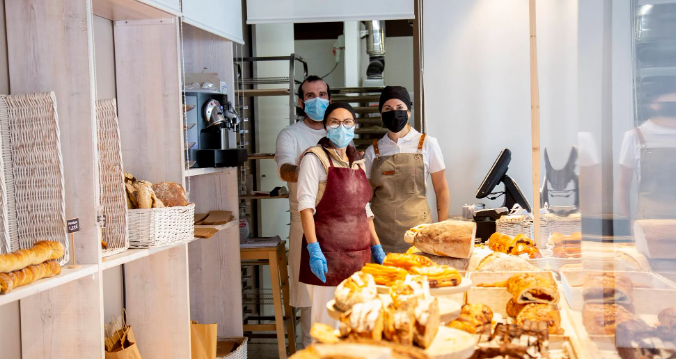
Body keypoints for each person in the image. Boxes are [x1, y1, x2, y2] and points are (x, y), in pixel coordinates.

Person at [296, 102, 386, 327]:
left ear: (354, 126)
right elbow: (306, 207)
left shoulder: (358, 162)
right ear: (326, 126)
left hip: (360, 259)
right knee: (329, 328)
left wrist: (376, 246)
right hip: (327, 259)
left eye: (347, 122)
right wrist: (313, 249)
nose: (341, 127)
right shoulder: (314, 158)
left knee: (357, 329)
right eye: (334, 122)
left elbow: (365, 209)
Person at [274, 75, 331, 347]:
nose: (317, 99)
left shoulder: (338, 132)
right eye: (310, 95)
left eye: (322, 94)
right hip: (304, 224)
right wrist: (312, 171)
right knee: (309, 302)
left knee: (337, 298)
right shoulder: (291, 135)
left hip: (337, 223)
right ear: (301, 102)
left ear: (329, 99)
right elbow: (284, 170)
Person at [364, 86, 450, 253]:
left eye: (399, 108)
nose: (394, 113)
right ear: (381, 114)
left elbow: (441, 189)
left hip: (419, 230)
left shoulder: (427, 144)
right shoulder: (373, 151)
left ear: (408, 112)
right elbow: (367, 197)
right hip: (382, 233)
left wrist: (442, 229)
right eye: (387, 108)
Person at [618, 77, 676, 220]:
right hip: (650, 220)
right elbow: (623, 184)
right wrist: (627, 223)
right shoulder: (635, 136)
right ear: (653, 104)